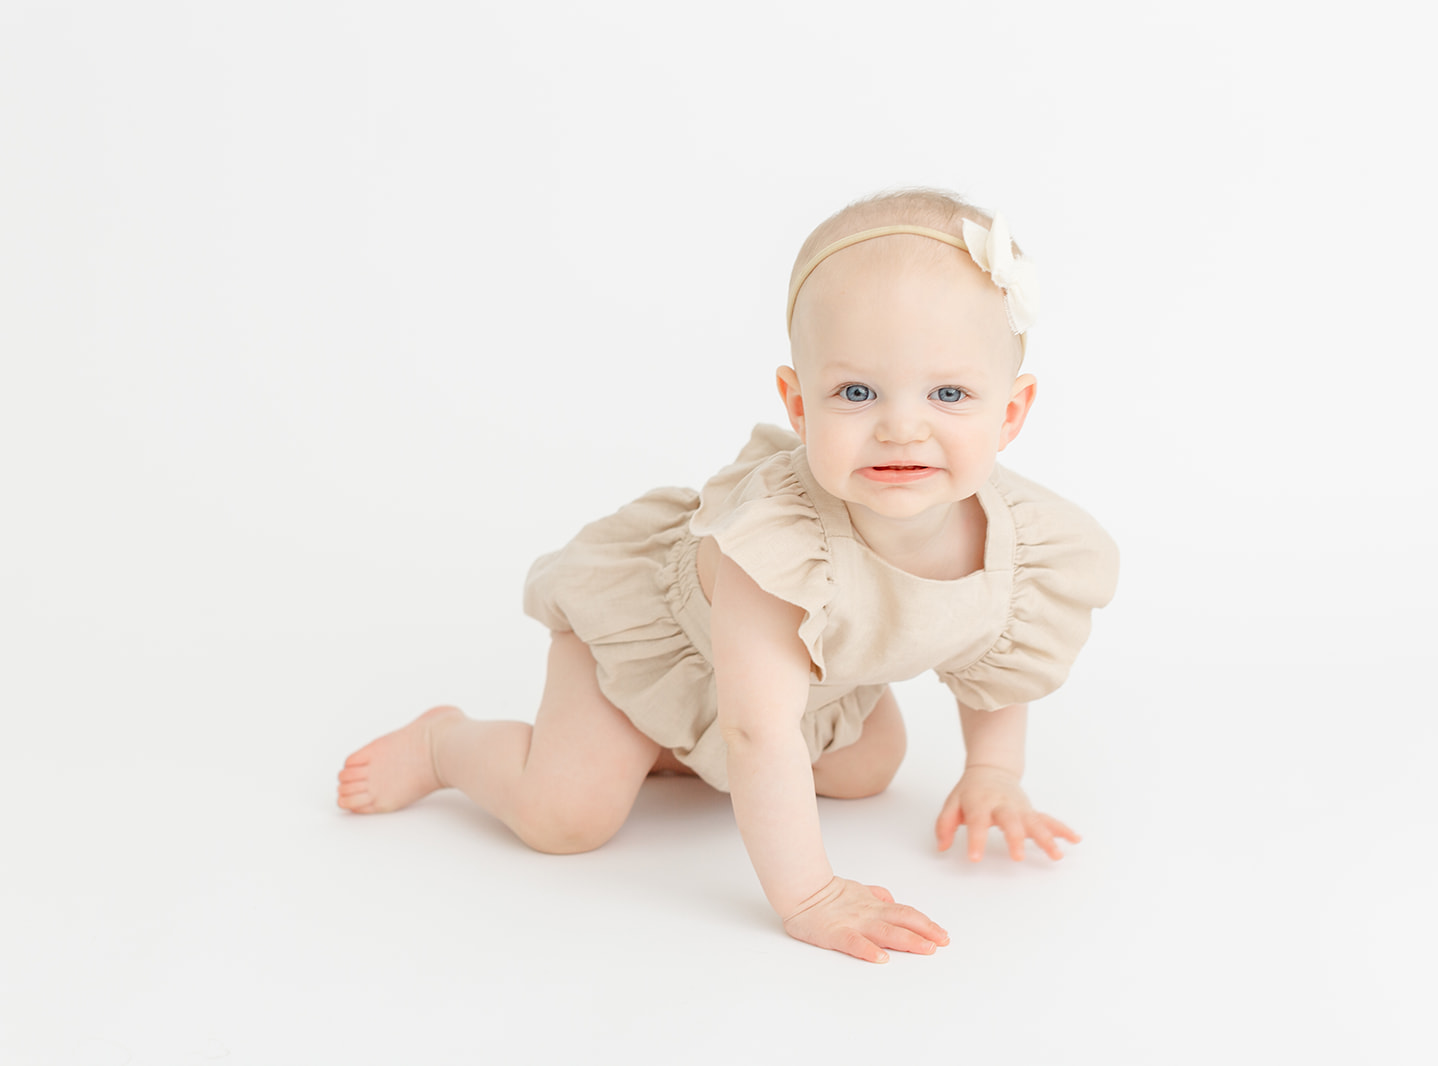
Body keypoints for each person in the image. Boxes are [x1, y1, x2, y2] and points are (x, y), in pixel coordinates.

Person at [337, 188, 1120, 964]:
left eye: (949, 393)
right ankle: (446, 744)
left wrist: (992, 771)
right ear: (798, 405)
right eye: (856, 392)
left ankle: (675, 754)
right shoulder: (774, 543)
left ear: (1011, 414)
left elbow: (993, 656)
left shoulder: (1024, 540)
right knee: (565, 817)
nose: (901, 426)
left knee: (871, 767)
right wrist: (809, 894)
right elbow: (759, 729)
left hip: (798, 687)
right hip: (652, 647)